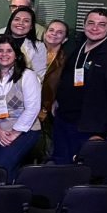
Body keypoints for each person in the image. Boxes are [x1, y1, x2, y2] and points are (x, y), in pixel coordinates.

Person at [52, 8, 107, 163]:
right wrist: (57, 99)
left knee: (81, 169)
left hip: (88, 125)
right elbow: (67, 76)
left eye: (102, 25)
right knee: (60, 162)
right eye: (91, 23)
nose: (95, 28)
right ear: (84, 25)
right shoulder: (79, 45)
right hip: (64, 118)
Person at [0, 35, 41, 182]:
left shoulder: (27, 76)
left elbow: (33, 108)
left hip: (25, 131)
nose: (4, 54)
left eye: (9, 51)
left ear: (16, 55)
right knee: (2, 171)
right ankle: (4, 202)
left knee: (2, 167)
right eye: (0, 50)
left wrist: (14, 133)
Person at [0, 5, 47, 81]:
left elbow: (39, 76)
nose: (20, 23)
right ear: (10, 22)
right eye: (17, 19)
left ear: (31, 26)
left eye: (26, 21)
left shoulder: (38, 46)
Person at [38, 18, 70, 161]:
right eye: (51, 30)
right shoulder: (31, 52)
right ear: (45, 33)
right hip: (27, 107)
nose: (54, 34)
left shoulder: (66, 60)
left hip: (51, 111)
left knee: (48, 149)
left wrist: (49, 106)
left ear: (65, 39)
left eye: (59, 32)